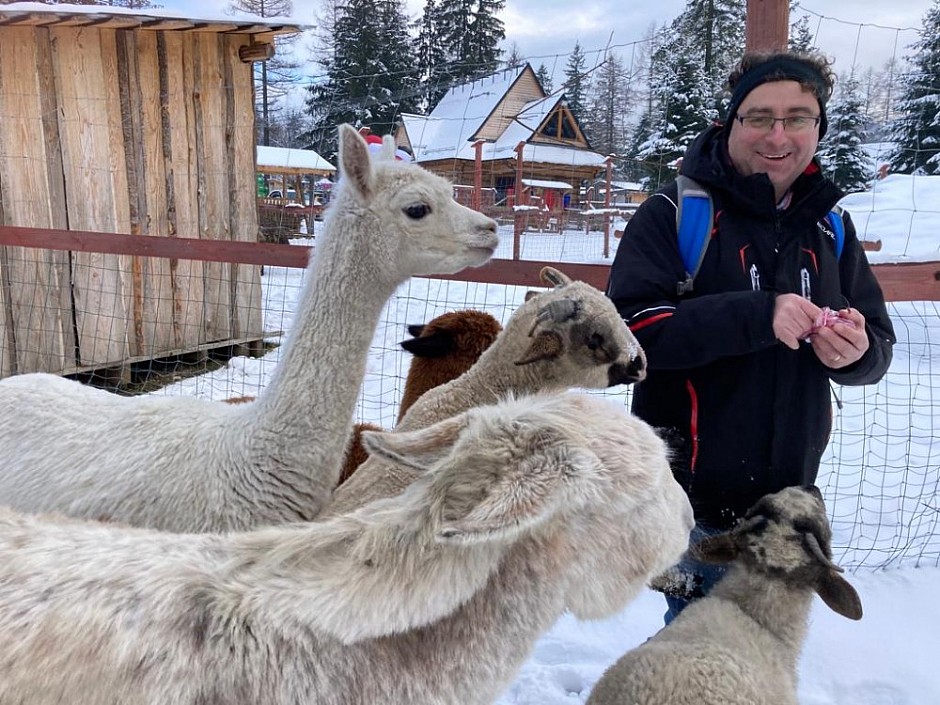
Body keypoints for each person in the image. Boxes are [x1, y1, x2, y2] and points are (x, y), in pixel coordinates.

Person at [606, 51, 896, 624]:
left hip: (789, 501)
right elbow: (629, 335)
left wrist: (857, 354)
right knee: (703, 648)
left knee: (758, 648)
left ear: (819, 127)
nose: (778, 135)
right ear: (731, 122)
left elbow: (877, 343)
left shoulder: (830, 225)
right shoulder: (676, 213)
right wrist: (758, 316)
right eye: (760, 116)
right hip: (691, 501)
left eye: (799, 117)